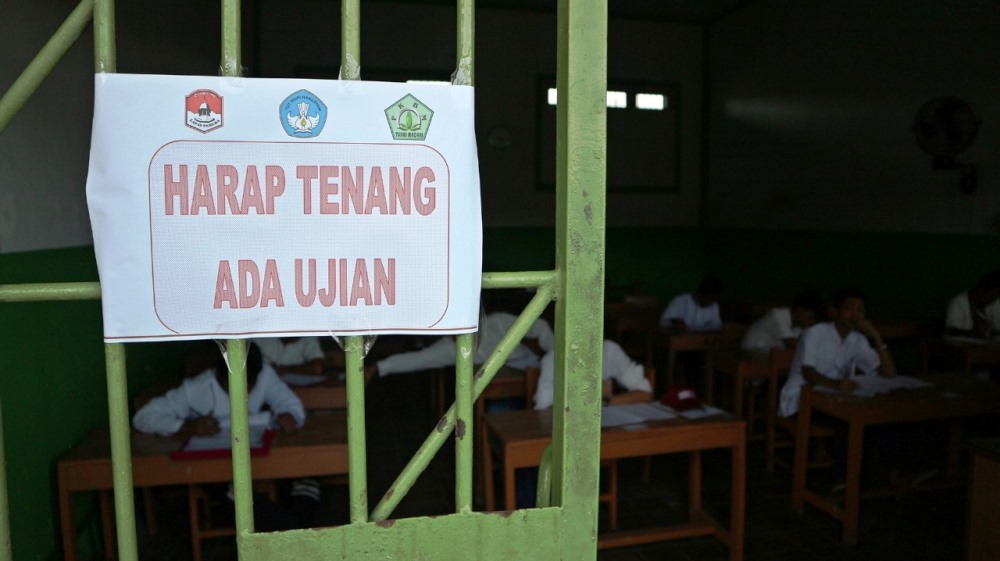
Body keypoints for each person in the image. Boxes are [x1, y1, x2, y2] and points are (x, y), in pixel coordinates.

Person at [132, 343, 318, 530]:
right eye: (234, 383)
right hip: (214, 468)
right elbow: (143, 417)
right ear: (220, 375)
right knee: (239, 495)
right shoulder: (196, 388)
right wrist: (184, 426)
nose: (243, 390)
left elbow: (291, 405)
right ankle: (290, 529)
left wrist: (290, 416)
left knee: (306, 473)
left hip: (254, 460)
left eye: (249, 384)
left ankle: (291, 528)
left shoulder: (264, 375)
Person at [778, 288, 896, 418]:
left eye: (860, 310)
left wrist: (877, 337)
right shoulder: (814, 333)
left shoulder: (858, 340)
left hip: (835, 399)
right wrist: (837, 385)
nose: (855, 315)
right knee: (850, 419)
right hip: (801, 400)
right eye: (848, 309)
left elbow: (888, 374)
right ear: (834, 311)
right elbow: (808, 372)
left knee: (876, 415)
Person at [365, 311, 554, 381]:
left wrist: (552, 352)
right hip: (502, 387)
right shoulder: (452, 347)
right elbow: (419, 359)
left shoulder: (498, 322)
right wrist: (379, 367)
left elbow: (539, 328)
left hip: (534, 371)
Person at [532, 339, 653, 410]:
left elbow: (645, 393)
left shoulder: (609, 350)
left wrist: (604, 402)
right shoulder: (554, 358)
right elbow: (544, 404)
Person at [741, 291, 825, 352]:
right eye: (810, 317)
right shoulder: (778, 316)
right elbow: (795, 345)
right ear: (799, 310)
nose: (811, 321)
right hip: (751, 351)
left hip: (768, 353)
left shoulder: (798, 326)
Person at [944, 270, 1000, 339]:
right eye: (992, 295)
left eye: (996, 296)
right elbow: (951, 332)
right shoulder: (958, 303)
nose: (993, 299)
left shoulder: (994, 303)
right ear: (982, 289)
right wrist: (975, 333)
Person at [659, 276, 724, 332]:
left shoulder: (714, 306)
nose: (712, 302)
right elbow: (663, 322)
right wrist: (674, 322)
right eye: (711, 299)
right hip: (681, 341)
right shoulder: (680, 301)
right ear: (700, 295)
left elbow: (717, 326)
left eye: (715, 299)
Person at [251, 336, 326, 380]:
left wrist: (285, 369)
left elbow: (317, 368)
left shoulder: (307, 336)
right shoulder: (261, 335)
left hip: (294, 390)